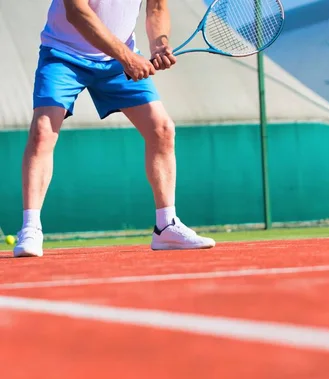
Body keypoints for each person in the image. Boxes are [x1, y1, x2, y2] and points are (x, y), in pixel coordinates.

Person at [14, 0, 216, 258]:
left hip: (117, 62)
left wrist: (159, 43)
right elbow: (76, 12)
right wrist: (127, 57)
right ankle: (31, 228)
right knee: (43, 131)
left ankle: (166, 226)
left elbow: (156, 8)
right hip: (63, 54)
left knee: (162, 129)